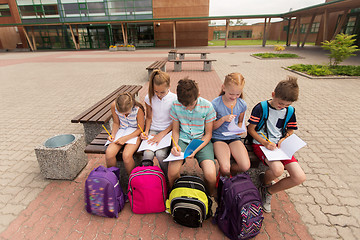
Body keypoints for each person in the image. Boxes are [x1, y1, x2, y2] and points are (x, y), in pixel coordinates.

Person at [247, 76, 306, 213]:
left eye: (287, 105)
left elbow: (291, 129)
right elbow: (251, 129)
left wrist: (285, 138)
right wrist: (265, 142)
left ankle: (267, 191)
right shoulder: (261, 107)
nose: (283, 107)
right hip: (261, 144)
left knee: (299, 177)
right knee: (278, 170)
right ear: (273, 95)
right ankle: (264, 182)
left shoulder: (289, 111)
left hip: (280, 147)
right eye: (280, 103)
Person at [168, 78, 217, 197]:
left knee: (210, 174)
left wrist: (194, 150)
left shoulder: (208, 106)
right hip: (183, 139)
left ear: (198, 95)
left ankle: (210, 195)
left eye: (191, 104)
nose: (188, 108)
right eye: (184, 106)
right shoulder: (175, 105)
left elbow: (208, 134)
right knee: (172, 172)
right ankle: (176, 194)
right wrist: (175, 146)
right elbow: (175, 130)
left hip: (201, 141)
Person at [211, 73, 250, 179]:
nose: (234, 97)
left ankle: (230, 175)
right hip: (219, 138)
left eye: (237, 94)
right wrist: (223, 119)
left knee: (245, 166)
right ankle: (224, 177)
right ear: (223, 88)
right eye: (231, 94)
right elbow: (211, 127)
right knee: (225, 168)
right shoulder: (215, 104)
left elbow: (240, 122)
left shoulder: (242, 104)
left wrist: (241, 129)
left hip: (234, 137)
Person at [140, 69, 177, 175]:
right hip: (153, 130)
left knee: (161, 155)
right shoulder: (149, 98)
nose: (159, 95)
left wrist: (161, 134)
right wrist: (146, 131)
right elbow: (149, 117)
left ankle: (167, 178)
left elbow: (175, 122)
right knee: (147, 154)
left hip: (167, 131)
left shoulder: (174, 99)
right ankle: (148, 178)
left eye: (162, 92)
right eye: (156, 91)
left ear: (169, 86)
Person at [105, 92, 145, 175]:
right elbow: (116, 123)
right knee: (109, 154)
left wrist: (126, 138)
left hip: (134, 133)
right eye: (122, 113)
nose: (124, 114)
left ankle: (132, 179)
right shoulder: (114, 106)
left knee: (126, 156)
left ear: (132, 105)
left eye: (127, 112)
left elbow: (140, 129)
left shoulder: (138, 109)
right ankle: (114, 179)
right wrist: (113, 134)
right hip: (122, 131)